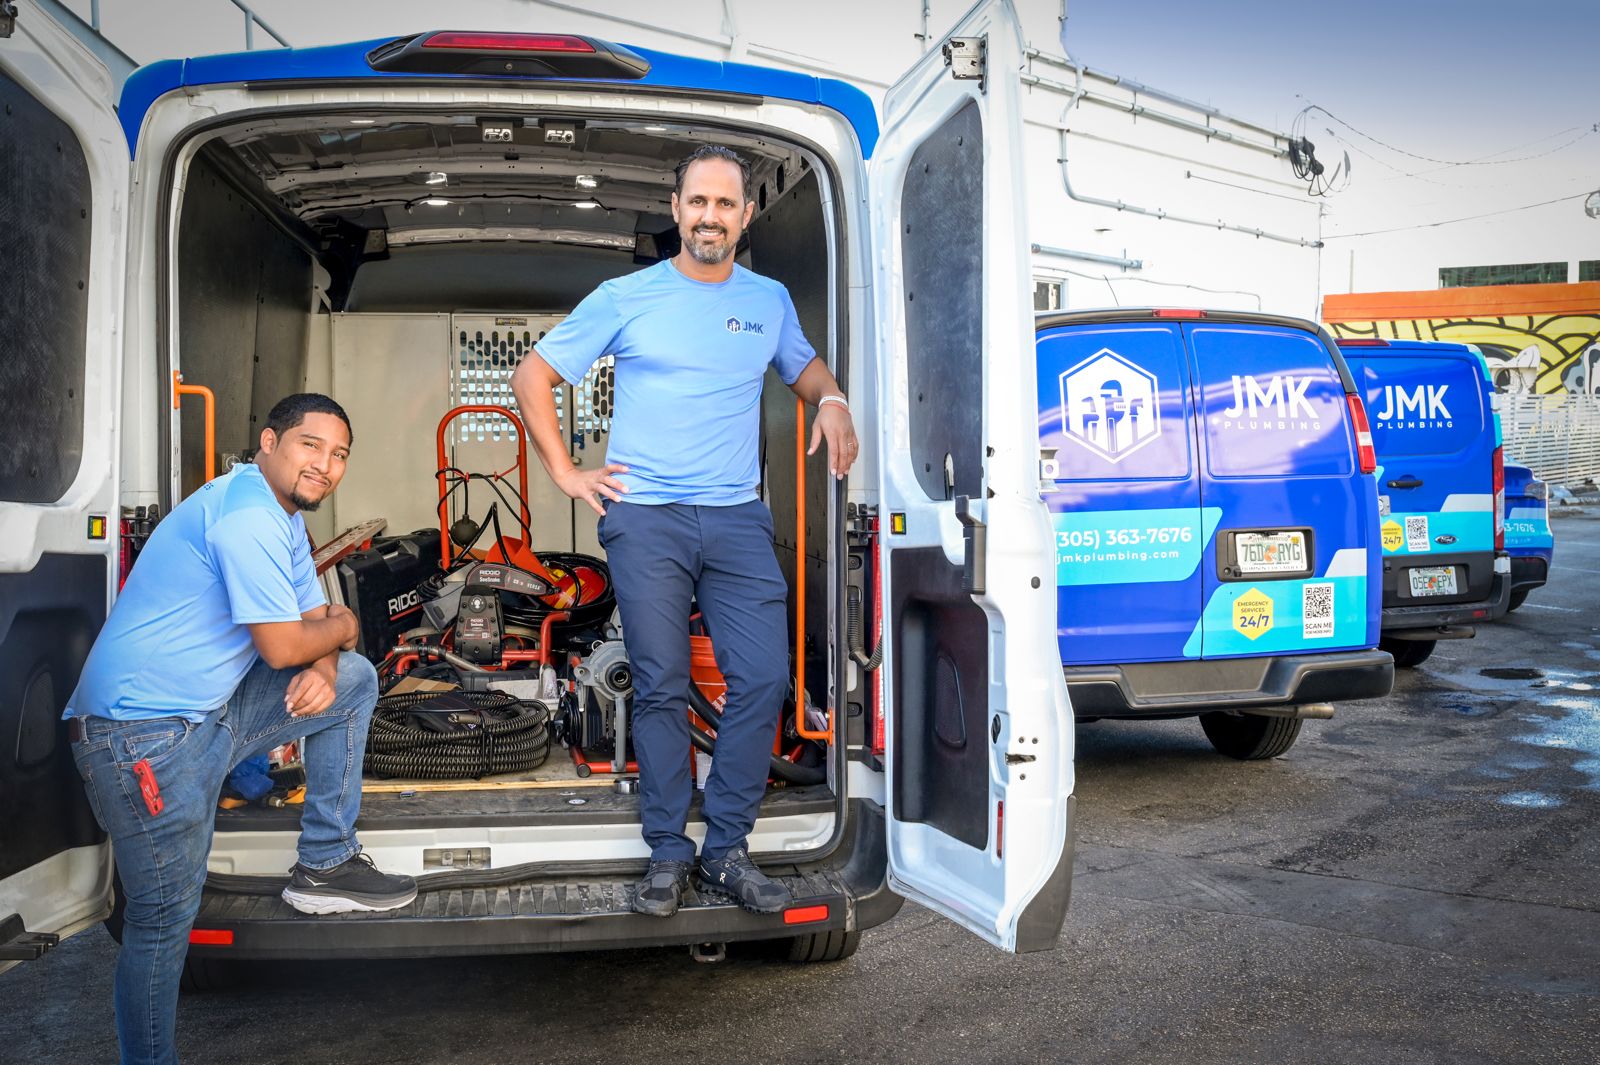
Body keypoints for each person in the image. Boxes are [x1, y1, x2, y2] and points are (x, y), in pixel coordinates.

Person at [510, 144, 857, 917]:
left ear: (744, 214)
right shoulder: (626, 295)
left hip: (736, 518)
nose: (710, 216)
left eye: (725, 204)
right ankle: (669, 849)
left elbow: (808, 372)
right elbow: (532, 374)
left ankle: (726, 846)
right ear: (676, 211)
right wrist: (567, 471)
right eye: (697, 202)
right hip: (647, 518)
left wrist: (831, 400)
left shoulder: (767, 300)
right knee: (663, 683)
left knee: (763, 677)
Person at [64, 393, 415, 1065]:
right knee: (163, 921)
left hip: (210, 714)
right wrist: (341, 629)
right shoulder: (247, 514)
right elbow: (290, 643)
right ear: (269, 441)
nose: (326, 464)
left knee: (352, 679)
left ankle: (325, 861)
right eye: (311, 445)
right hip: (141, 739)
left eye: (339, 453)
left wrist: (331, 650)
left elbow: (314, 626)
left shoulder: (281, 518)